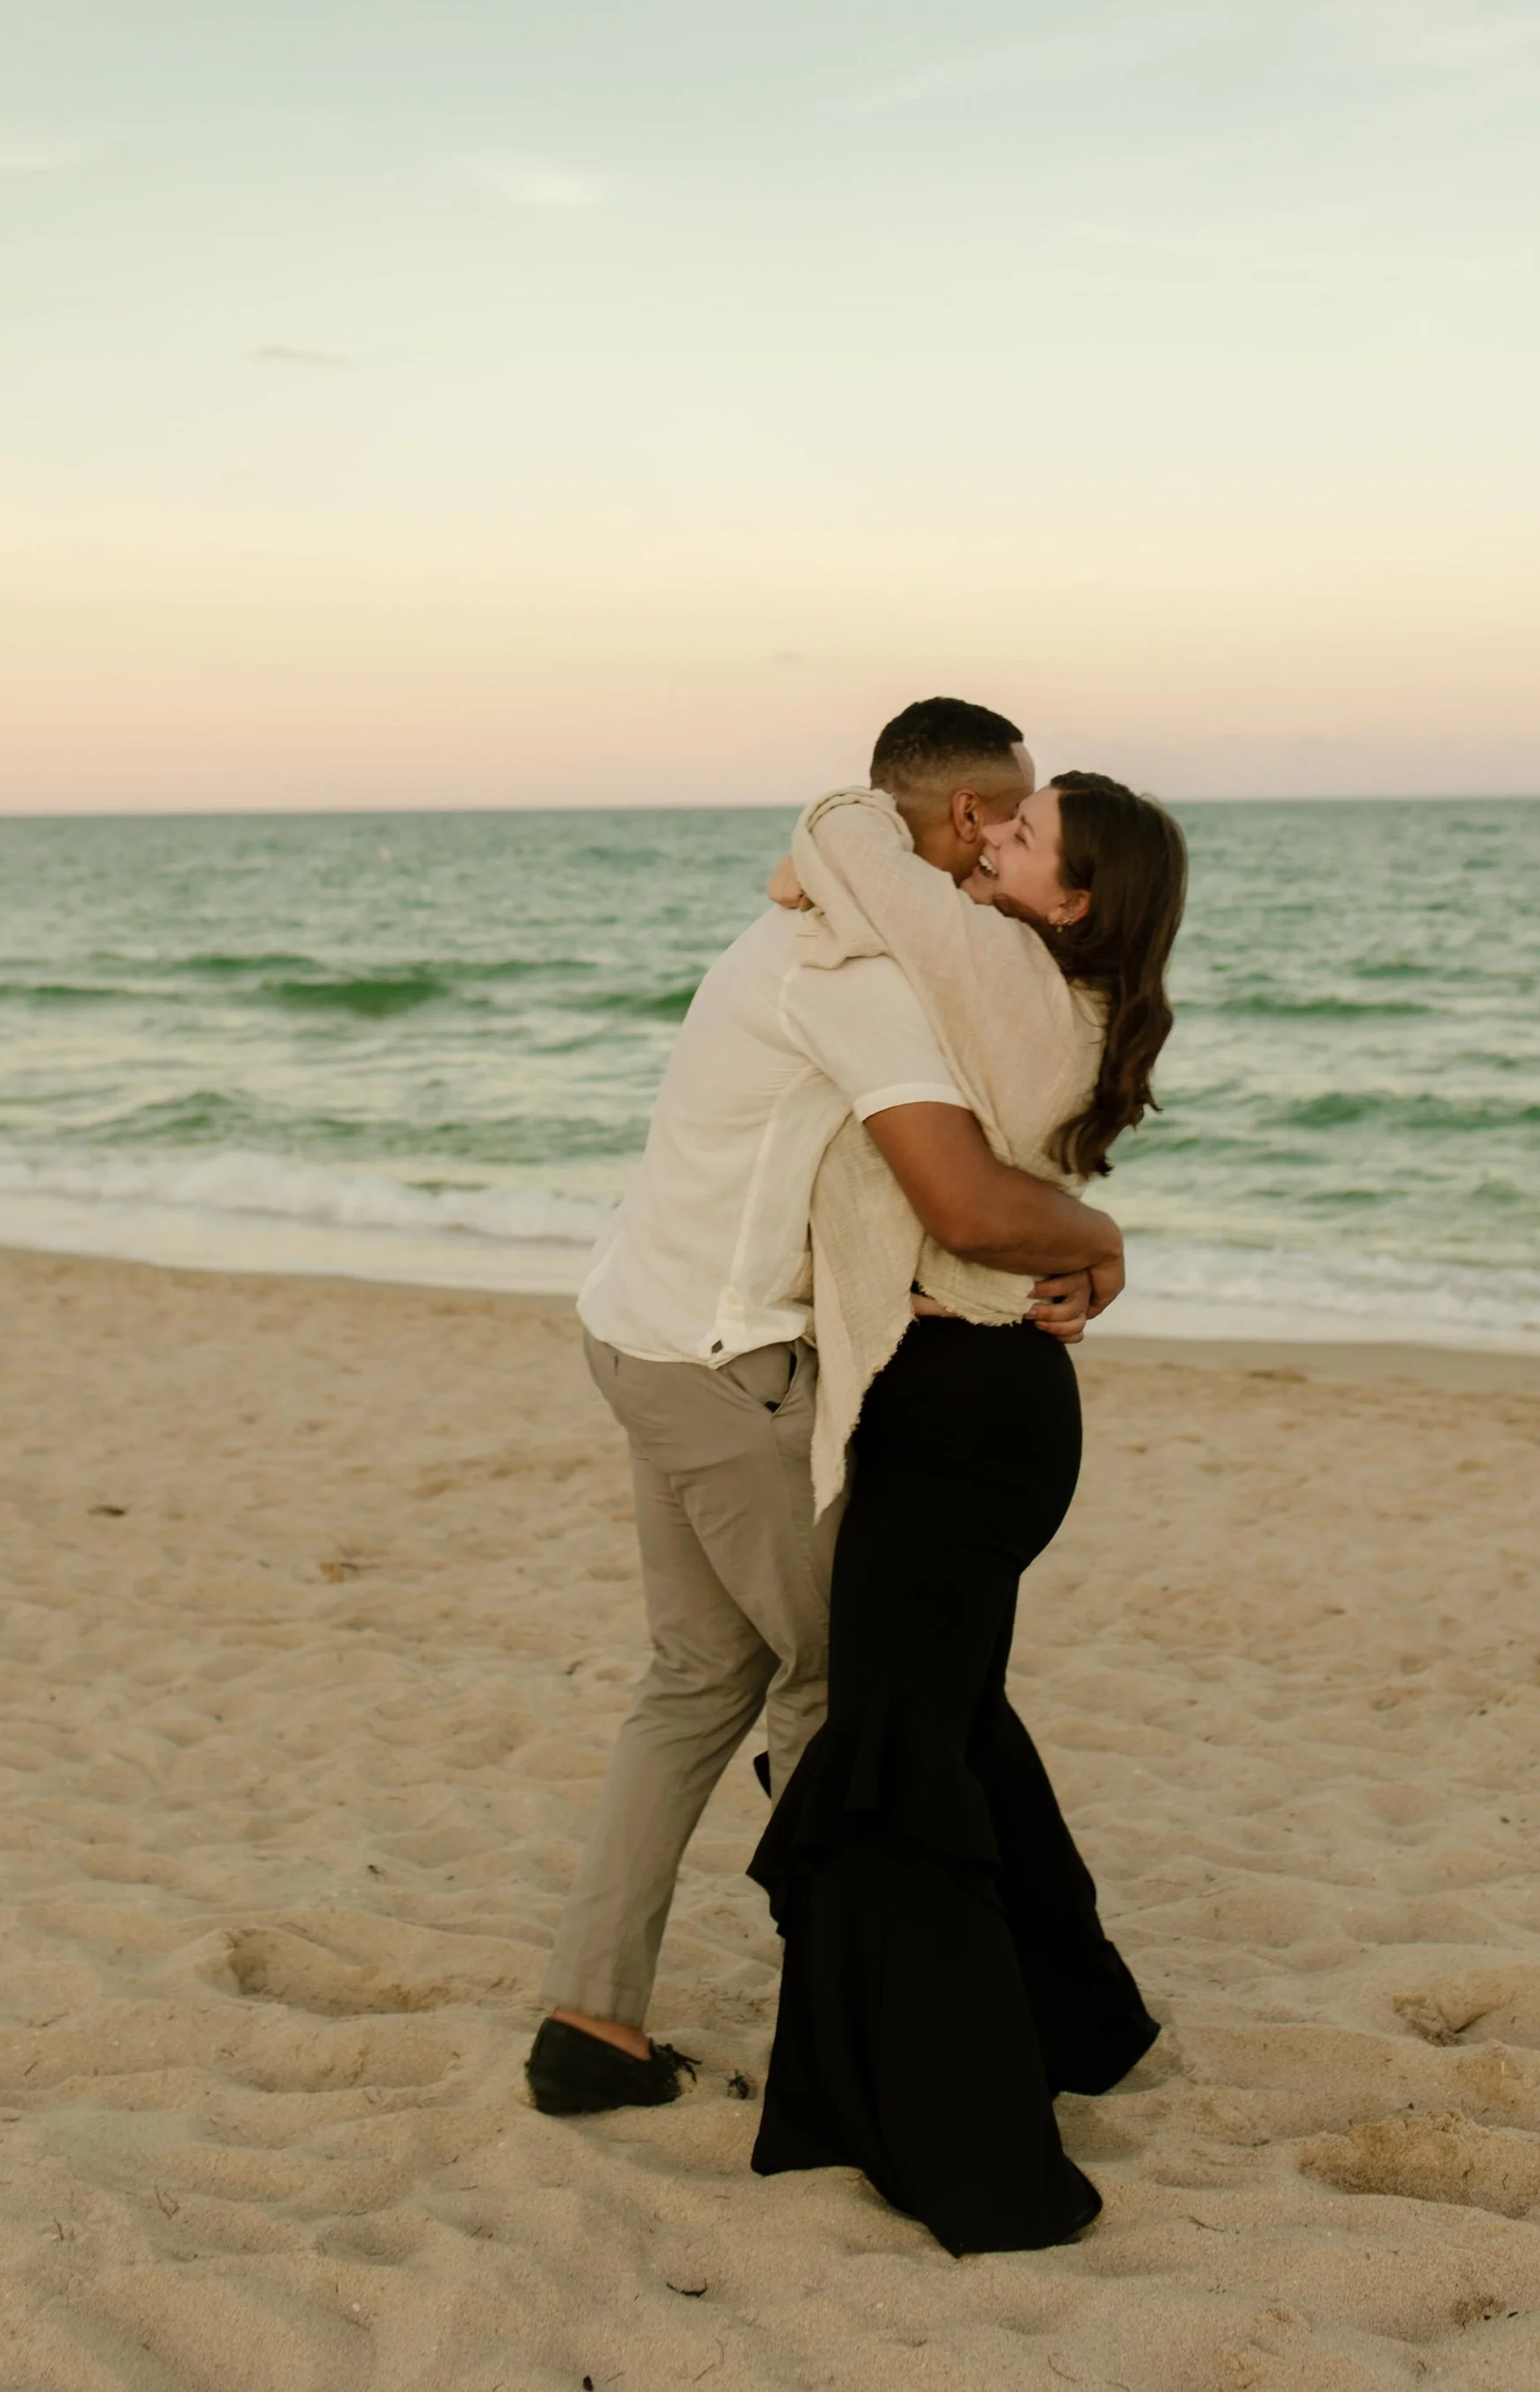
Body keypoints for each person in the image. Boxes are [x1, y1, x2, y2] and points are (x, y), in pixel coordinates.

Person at [525, 700, 1128, 2119]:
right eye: (1014, 814)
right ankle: (867, 2051)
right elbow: (964, 1196)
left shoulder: (798, 922)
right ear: (974, 820)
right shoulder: (858, 972)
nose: (1000, 857)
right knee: (840, 1701)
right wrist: (1099, 1242)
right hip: (729, 1370)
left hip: (639, 1329)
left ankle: (588, 2020)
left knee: (691, 1684)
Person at [748, 765, 1190, 2253]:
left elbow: (838, 844)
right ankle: (1084, 2018)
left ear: (1072, 900)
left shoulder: (997, 963)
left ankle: (974, 2150)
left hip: (961, 1414)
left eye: (1025, 829)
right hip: (989, 1410)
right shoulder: (1062, 981)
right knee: (953, 1726)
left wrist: (848, 820)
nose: (988, 834)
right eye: (994, 813)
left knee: (895, 1754)